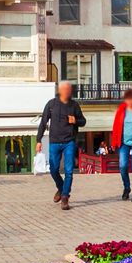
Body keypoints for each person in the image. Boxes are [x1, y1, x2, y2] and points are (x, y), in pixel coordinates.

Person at [36, 81, 85, 209]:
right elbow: (43, 122)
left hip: (69, 141)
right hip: (54, 142)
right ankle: (61, 187)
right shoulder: (51, 104)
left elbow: (83, 121)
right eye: (65, 89)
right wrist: (38, 140)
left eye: (69, 89)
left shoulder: (74, 105)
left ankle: (65, 197)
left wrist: (75, 120)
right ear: (60, 90)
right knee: (53, 169)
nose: (67, 91)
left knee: (69, 171)